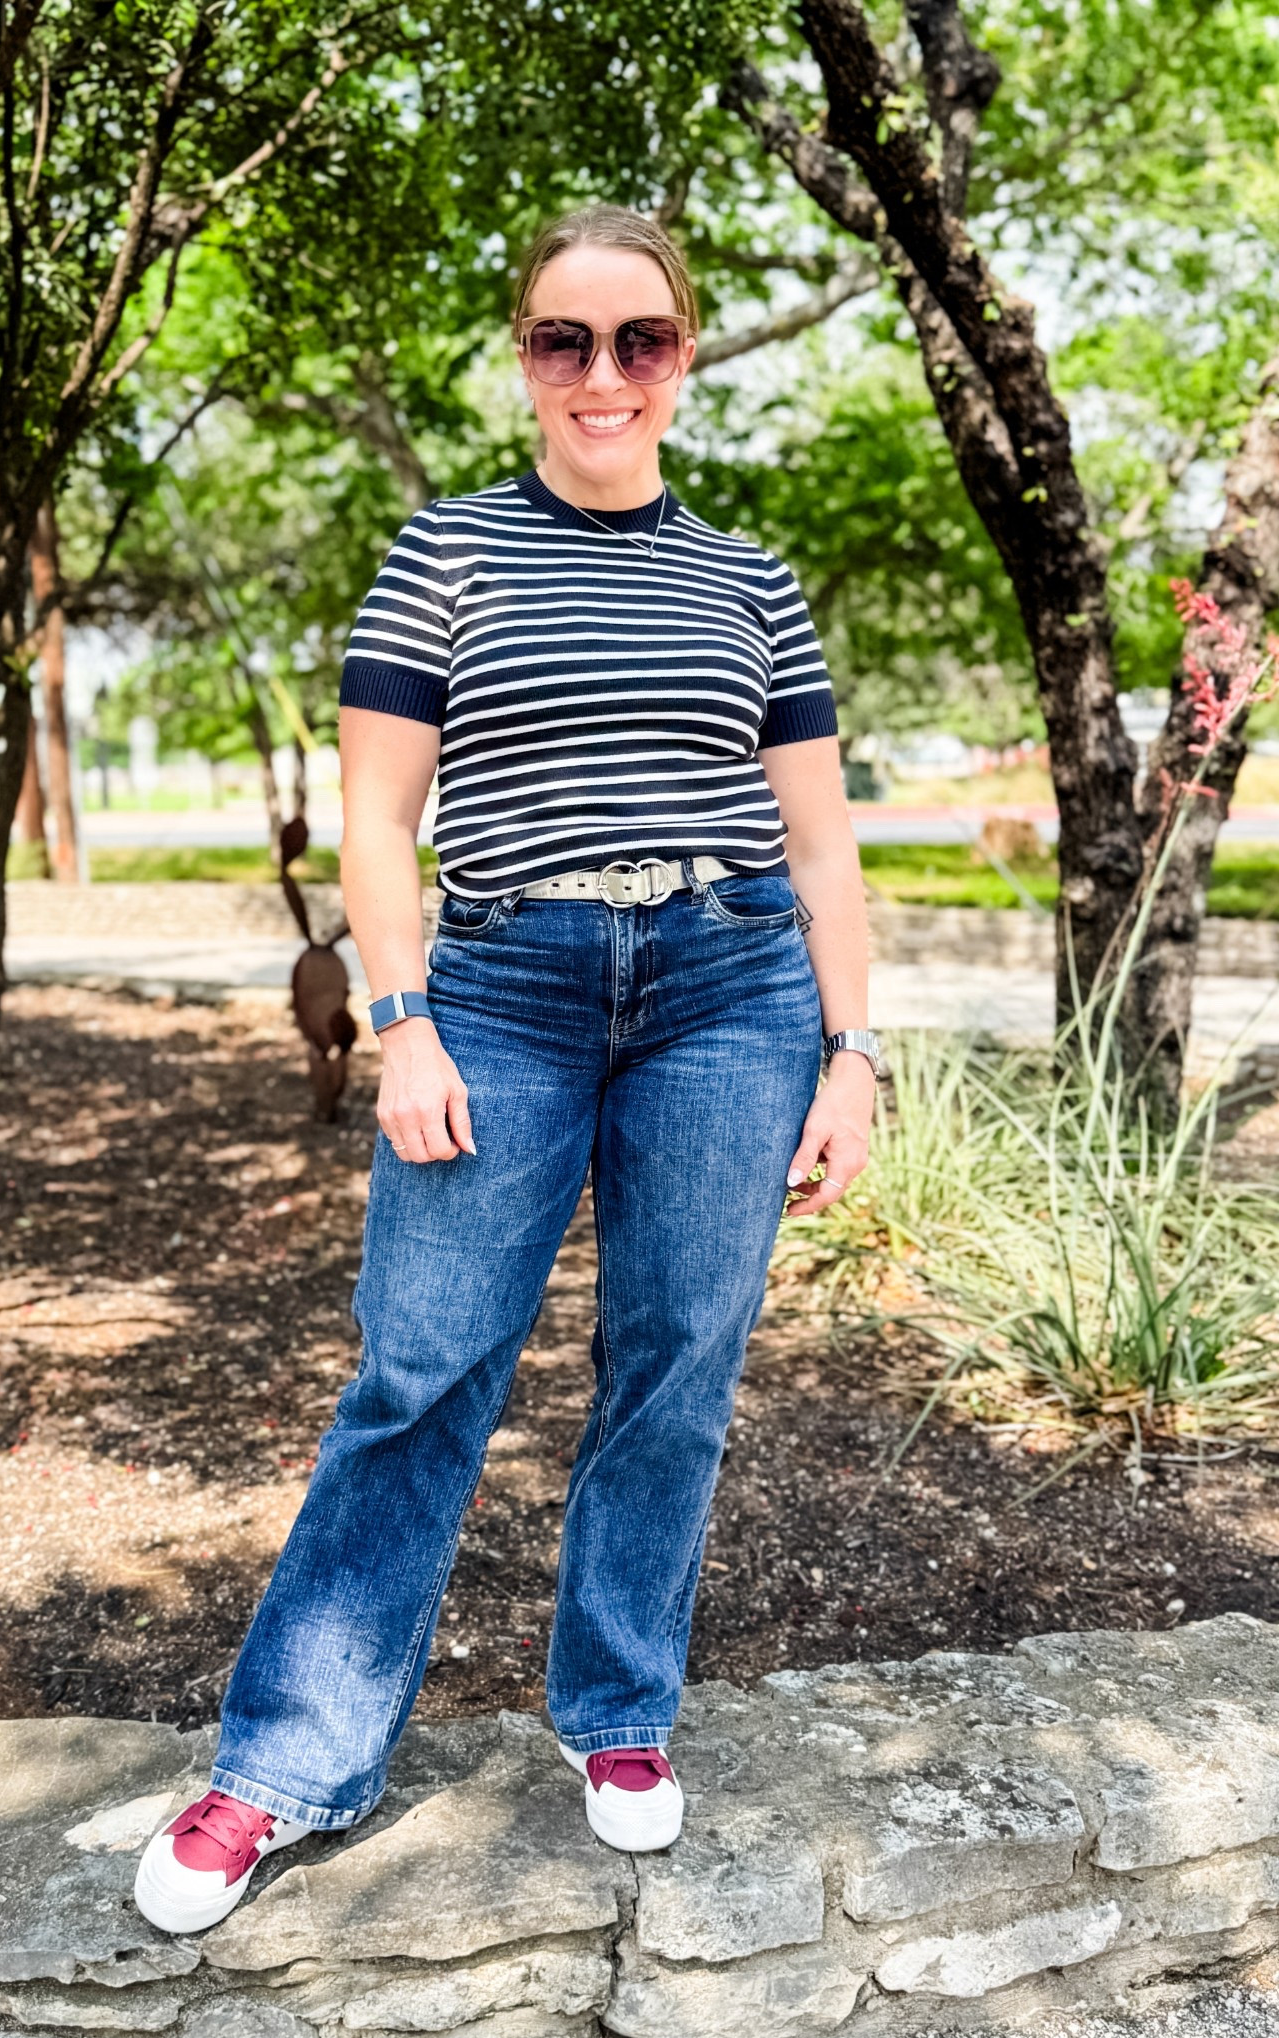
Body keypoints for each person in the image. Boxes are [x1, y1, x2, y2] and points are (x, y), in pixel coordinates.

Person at [134, 204, 879, 1936]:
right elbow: (381, 824)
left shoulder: (752, 580)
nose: (603, 374)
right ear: (525, 361)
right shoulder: (445, 552)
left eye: (641, 341)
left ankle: (618, 1715)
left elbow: (827, 854)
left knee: (676, 1364)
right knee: (421, 1372)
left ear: (683, 361)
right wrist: (402, 1022)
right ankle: (284, 1764)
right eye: (566, 341)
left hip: (730, 993)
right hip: (505, 990)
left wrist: (853, 1056)